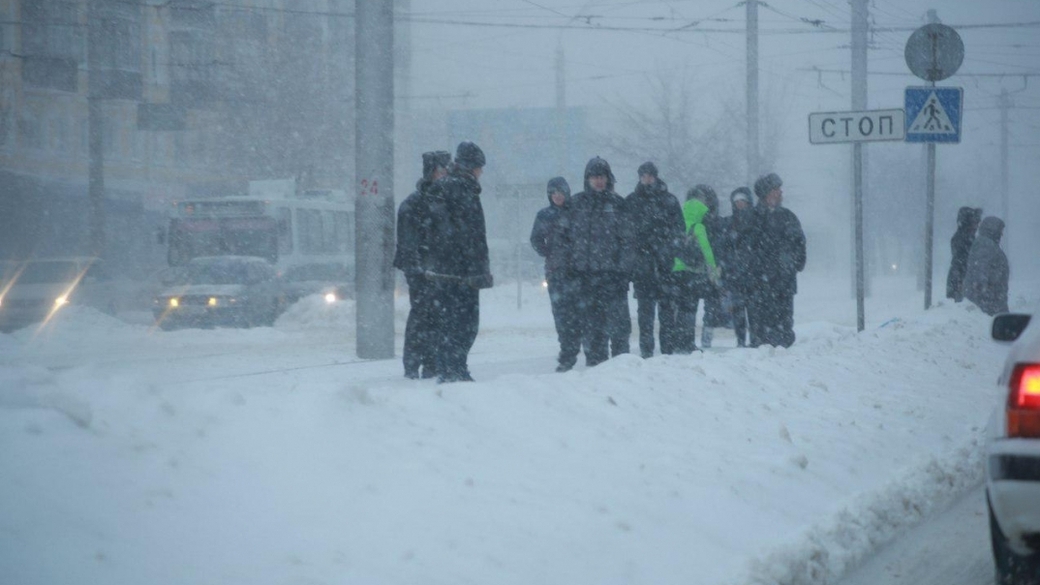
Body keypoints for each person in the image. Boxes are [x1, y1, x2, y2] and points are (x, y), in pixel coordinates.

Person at [424, 141, 493, 383]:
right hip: (462, 271)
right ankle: (455, 369)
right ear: (471, 167)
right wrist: (476, 268)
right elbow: (471, 235)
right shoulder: (464, 190)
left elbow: (435, 230)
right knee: (465, 324)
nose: (481, 173)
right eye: (479, 168)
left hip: (443, 270)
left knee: (448, 322)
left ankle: (448, 368)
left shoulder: (442, 188)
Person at [563, 157, 632, 367]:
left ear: (608, 179)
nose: (599, 181)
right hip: (585, 278)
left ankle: (623, 368)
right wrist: (571, 269)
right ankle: (595, 367)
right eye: (594, 177)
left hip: (613, 277)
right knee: (592, 329)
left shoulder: (619, 205)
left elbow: (628, 242)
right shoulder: (575, 204)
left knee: (619, 328)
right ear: (587, 179)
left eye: (602, 177)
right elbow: (564, 240)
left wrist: (623, 272)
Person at [393, 150, 451, 379]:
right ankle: (412, 365)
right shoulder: (414, 204)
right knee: (421, 317)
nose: (445, 174)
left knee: (438, 317)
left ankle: (432, 364)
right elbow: (408, 243)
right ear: (431, 172)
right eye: (441, 170)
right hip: (422, 272)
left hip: (441, 269)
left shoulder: (446, 201)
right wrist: (416, 269)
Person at [624, 162, 685, 357]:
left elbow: (679, 229)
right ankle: (646, 351)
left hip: (665, 265)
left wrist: (669, 249)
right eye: (644, 176)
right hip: (643, 266)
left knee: (667, 312)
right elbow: (625, 232)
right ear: (639, 177)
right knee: (645, 313)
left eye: (650, 175)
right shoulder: (632, 201)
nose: (647, 179)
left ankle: (667, 349)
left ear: (656, 177)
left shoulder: (669, 201)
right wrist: (636, 253)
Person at [746, 173, 806, 348]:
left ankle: (783, 354)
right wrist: (754, 270)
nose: (780, 193)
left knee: (784, 322)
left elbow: (800, 244)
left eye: (780, 189)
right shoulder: (752, 218)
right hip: (759, 283)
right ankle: (761, 355)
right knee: (760, 324)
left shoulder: (788, 217)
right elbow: (744, 248)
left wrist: (793, 265)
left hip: (783, 282)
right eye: (776, 190)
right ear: (766, 194)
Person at [530, 176, 582, 372]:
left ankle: (574, 346)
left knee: (577, 313)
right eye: (554, 193)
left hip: (576, 272)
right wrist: (548, 252)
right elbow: (535, 239)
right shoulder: (544, 215)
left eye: (560, 193)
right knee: (561, 314)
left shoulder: (575, 213)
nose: (557, 196)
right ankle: (567, 350)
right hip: (555, 272)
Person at [670, 185, 720, 353]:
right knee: (690, 308)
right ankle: (688, 342)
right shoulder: (699, 227)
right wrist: (713, 269)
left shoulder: (677, 224)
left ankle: (676, 341)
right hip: (693, 273)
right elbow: (707, 250)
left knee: (677, 308)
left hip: (676, 272)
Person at [719, 187, 755, 347]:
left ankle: (755, 339)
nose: (740, 204)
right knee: (738, 310)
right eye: (737, 201)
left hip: (754, 273)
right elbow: (723, 249)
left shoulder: (756, 221)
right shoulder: (728, 223)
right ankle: (740, 340)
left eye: (743, 201)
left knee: (754, 310)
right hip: (735, 274)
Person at [696, 185, 728, 349]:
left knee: (711, 306)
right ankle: (689, 338)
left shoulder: (717, 222)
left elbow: (721, 245)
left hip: (711, 267)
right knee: (691, 305)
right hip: (695, 266)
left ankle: (706, 340)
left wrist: (718, 265)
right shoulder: (692, 220)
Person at [962, 216, 1009, 316]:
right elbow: (979, 275)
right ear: (992, 229)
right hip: (988, 307)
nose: (1001, 234)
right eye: (1000, 230)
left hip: (992, 304)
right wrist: (986, 299)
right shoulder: (985, 245)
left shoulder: (987, 244)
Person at [946, 206, 983, 302]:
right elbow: (962, 262)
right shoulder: (964, 239)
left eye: (978, 222)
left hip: (959, 280)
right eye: (975, 222)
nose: (977, 226)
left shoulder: (966, 238)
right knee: (960, 310)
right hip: (960, 281)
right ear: (967, 222)